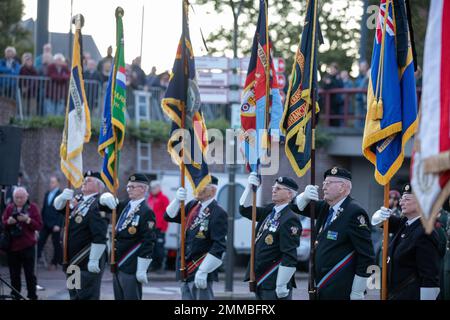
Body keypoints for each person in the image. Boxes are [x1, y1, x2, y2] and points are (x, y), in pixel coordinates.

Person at [294, 167, 375, 300]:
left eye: (328, 183)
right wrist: (304, 196)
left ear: (342, 187)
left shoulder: (354, 212)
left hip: (341, 288)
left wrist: (357, 290)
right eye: (324, 183)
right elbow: (295, 207)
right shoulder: (326, 207)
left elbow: (366, 256)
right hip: (321, 286)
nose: (323, 187)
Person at [371, 183, 443, 300]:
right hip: (394, 293)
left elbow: (429, 276)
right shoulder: (404, 223)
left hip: (410, 294)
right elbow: (377, 221)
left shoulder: (425, 232)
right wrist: (381, 213)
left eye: (407, 199)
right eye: (402, 199)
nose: (401, 203)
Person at [164, 176, 227, 300]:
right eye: (195, 187)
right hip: (185, 266)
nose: (196, 190)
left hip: (200, 267)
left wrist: (203, 270)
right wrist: (177, 200)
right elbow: (169, 217)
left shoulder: (218, 212)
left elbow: (219, 245)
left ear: (212, 191)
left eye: (201, 187)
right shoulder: (193, 205)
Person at [239, 175, 301, 300]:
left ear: (289, 194)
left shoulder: (290, 218)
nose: (273, 190)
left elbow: (289, 254)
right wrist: (250, 188)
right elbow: (244, 210)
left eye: (278, 188)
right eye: (273, 187)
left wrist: (282, 283)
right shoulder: (270, 210)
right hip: (260, 277)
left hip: (274, 279)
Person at [53, 171, 109, 300]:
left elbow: (100, 235)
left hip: (86, 258)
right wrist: (62, 197)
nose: (84, 181)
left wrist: (94, 260)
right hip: (71, 259)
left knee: (86, 295)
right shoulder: (77, 199)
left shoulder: (99, 203)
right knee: (74, 295)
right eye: (84, 179)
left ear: (99, 186)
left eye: (89, 180)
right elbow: (59, 209)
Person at [100, 174, 157, 300]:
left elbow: (148, 241)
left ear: (143, 189)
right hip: (118, 260)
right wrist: (104, 198)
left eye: (132, 187)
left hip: (131, 262)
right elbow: (103, 208)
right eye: (128, 187)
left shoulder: (146, 212)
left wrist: (142, 268)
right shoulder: (124, 205)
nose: (129, 189)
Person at [1, 187, 43, 300]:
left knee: (30, 274)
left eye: (21, 197)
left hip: (27, 246)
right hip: (13, 247)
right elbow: (3, 223)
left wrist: (27, 220)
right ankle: (16, 295)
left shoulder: (32, 207)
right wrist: (8, 222)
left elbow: (39, 225)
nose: (19, 200)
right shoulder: (10, 208)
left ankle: (32, 295)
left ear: (26, 197)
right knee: (14, 275)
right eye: (16, 198)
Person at [37, 176, 63, 270]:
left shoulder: (61, 194)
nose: (50, 184)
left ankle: (55, 262)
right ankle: (36, 259)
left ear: (57, 183)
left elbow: (61, 212)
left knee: (56, 243)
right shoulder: (47, 193)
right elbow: (44, 208)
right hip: (45, 223)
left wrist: (58, 224)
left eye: (53, 182)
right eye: (50, 182)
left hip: (55, 224)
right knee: (40, 240)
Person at [147, 180, 170, 271]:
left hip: (160, 228)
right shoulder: (150, 198)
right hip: (151, 228)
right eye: (151, 188)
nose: (152, 190)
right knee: (151, 248)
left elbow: (167, 214)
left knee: (159, 248)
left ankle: (160, 266)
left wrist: (164, 228)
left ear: (159, 188)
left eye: (154, 188)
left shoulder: (164, 198)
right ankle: (152, 266)